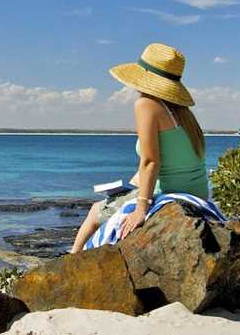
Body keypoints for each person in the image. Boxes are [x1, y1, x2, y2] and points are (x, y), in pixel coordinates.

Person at [70, 43, 209, 253]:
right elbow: (174, 160)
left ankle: (71, 260)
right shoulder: (183, 113)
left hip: (170, 193)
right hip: (198, 194)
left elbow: (150, 161)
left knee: (94, 212)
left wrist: (141, 207)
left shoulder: (146, 104)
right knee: (114, 199)